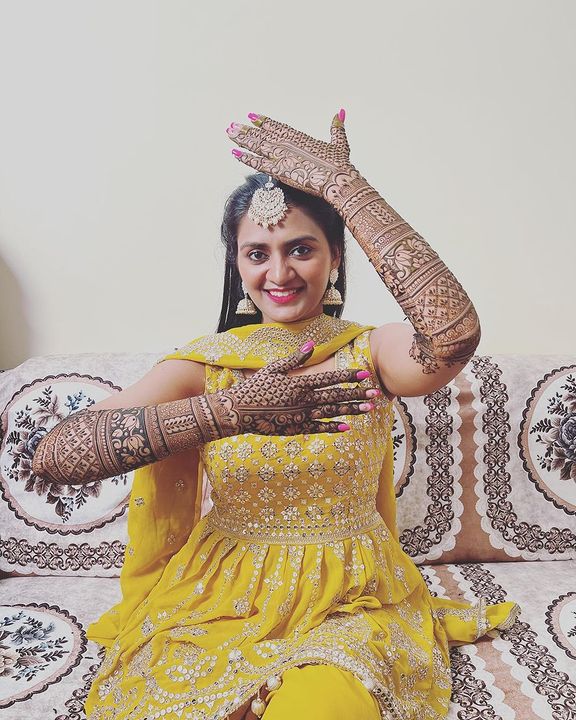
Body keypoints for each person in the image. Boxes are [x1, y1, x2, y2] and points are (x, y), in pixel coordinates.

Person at [32, 110, 519, 720]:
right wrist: (229, 412)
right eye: (257, 253)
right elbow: (55, 455)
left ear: (335, 256)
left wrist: (348, 191)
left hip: (351, 596)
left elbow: (452, 336)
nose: (279, 273)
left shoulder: (369, 352)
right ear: (236, 265)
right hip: (222, 592)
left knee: (321, 708)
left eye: (302, 250)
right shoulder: (207, 367)